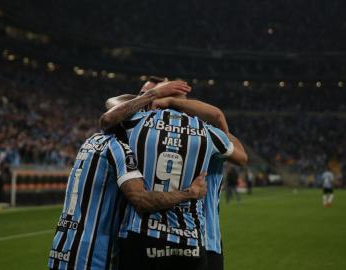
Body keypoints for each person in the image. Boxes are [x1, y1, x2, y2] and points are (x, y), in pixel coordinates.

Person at [100, 79, 247, 270]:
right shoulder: (207, 133)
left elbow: (110, 112)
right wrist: (162, 98)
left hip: (144, 233)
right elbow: (239, 151)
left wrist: (159, 97)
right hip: (194, 237)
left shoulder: (137, 123)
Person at [47, 131, 207, 270]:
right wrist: (189, 193)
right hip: (92, 255)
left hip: (62, 247)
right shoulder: (119, 148)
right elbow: (141, 200)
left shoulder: (91, 141)